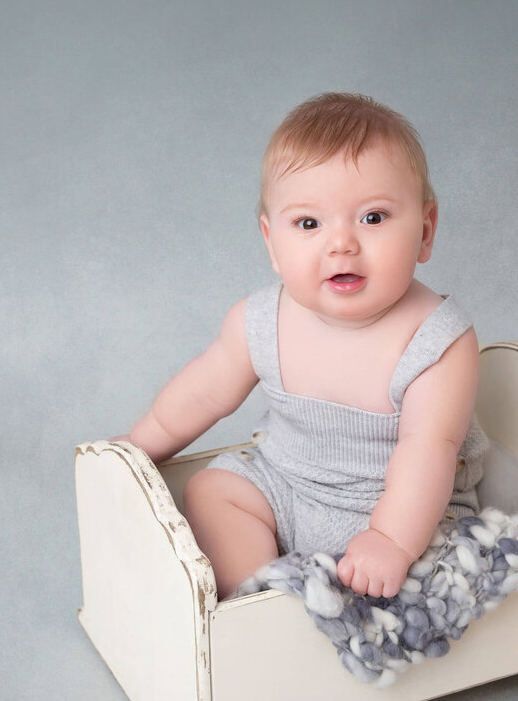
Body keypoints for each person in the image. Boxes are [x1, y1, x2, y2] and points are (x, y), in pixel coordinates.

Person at [116, 92, 486, 599]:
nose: (341, 244)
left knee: (432, 567)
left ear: (425, 231)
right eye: (309, 224)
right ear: (271, 242)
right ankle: (260, 599)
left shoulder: (437, 342)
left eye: (373, 218)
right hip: (285, 485)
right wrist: (137, 450)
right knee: (213, 490)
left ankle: (333, 593)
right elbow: (201, 395)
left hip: (392, 510)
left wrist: (391, 541)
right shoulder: (261, 321)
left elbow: (430, 452)